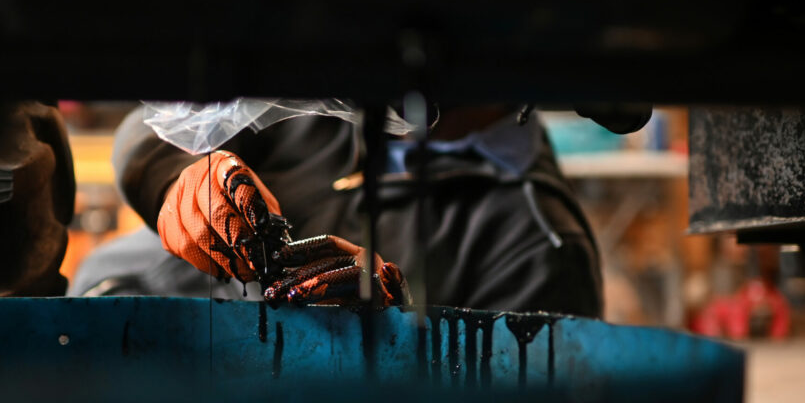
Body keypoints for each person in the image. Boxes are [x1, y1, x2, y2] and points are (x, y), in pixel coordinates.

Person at [73, 103, 603, 317]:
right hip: (105, 326)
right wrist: (176, 179)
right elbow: (154, 127)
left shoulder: (541, 249)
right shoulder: (339, 97)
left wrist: (386, 348)